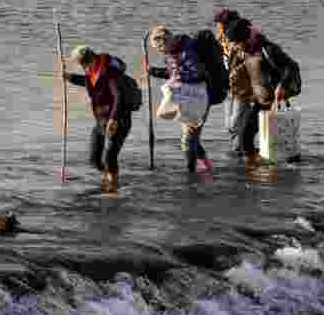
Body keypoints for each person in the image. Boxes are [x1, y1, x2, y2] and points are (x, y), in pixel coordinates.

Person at [145, 25, 213, 174]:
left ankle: (192, 172)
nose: (160, 51)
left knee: (188, 139)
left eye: (160, 47)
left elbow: (198, 74)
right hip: (188, 97)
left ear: (167, 40)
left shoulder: (186, 52)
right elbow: (174, 73)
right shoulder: (172, 52)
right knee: (189, 137)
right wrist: (155, 71)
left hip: (199, 97)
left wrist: (179, 77)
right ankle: (205, 167)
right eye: (157, 49)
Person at [64, 45, 132, 193]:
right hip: (101, 119)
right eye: (81, 65)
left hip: (119, 119)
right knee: (94, 159)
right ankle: (108, 178)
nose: (83, 67)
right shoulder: (92, 71)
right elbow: (89, 82)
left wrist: (113, 119)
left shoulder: (109, 72)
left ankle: (112, 186)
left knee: (110, 156)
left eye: (83, 64)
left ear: (90, 59)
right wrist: (70, 77)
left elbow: (118, 96)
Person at [225, 18, 274, 168]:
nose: (232, 44)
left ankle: (249, 162)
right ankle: (248, 161)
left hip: (260, 96)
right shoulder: (241, 48)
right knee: (243, 131)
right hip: (247, 93)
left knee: (245, 131)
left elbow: (266, 70)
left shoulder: (261, 49)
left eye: (234, 41)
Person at [213, 7, 250, 155]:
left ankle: (241, 149)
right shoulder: (220, 40)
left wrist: (238, 70)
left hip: (243, 88)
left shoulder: (242, 39)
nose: (218, 27)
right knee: (229, 125)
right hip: (228, 88)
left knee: (235, 123)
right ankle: (238, 150)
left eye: (219, 24)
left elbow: (251, 61)